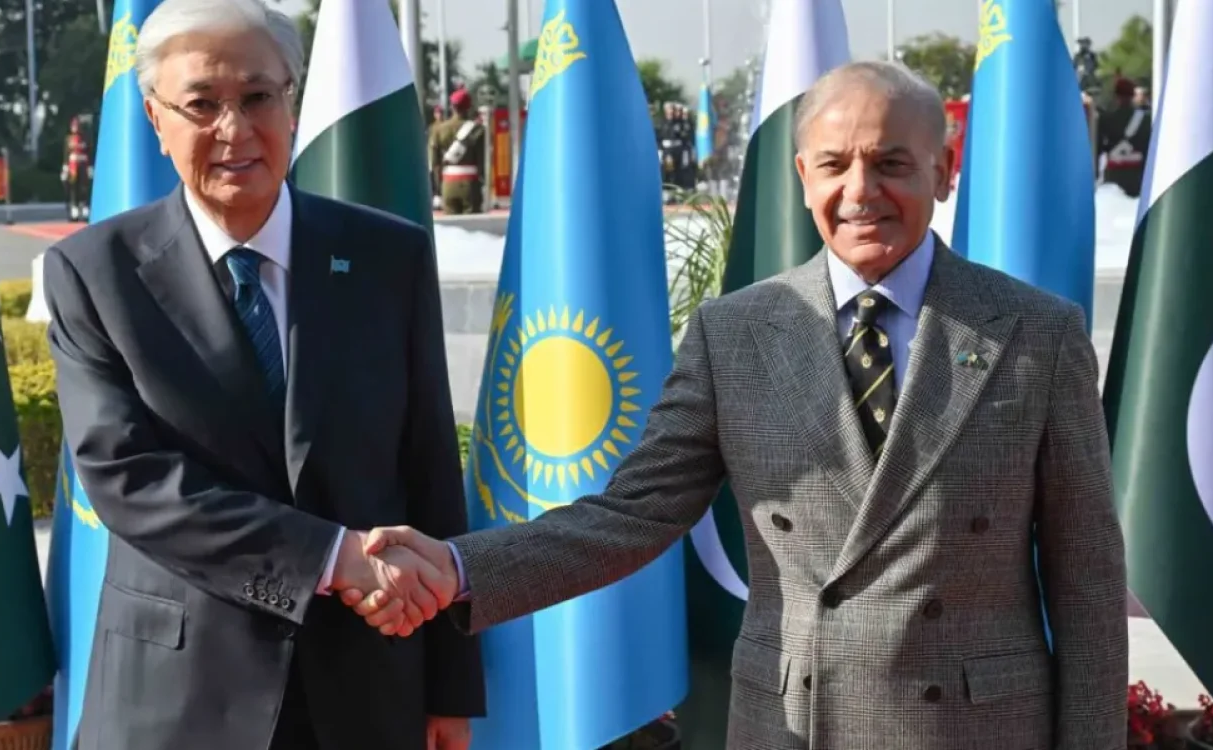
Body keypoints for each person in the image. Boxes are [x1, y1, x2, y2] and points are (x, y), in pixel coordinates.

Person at [352, 61, 1128, 749]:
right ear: (803, 176)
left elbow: (1088, 580)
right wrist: (460, 567)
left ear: (944, 170)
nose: (861, 192)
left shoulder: (1036, 334)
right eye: (835, 165)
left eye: (891, 163)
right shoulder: (736, 334)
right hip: (798, 725)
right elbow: (631, 516)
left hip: (977, 728)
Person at [40, 0, 484, 747]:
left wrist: (449, 687)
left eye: (256, 97)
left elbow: (429, 468)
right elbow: (128, 478)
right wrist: (332, 558)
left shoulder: (387, 257)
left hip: (367, 686)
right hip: (179, 699)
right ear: (155, 119)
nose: (234, 129)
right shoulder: (94, 273)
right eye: (201, 105)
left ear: (291, 100)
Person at [429, 88, 485, 214]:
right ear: (469, 107)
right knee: (473, 224)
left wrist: (438, 188)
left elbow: (434, 163)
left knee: (451, 224)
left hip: (448, 184)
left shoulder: (438, 130)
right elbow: (482, 161)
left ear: (452, 107)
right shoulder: (478, 130)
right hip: (471, 184)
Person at [1097, 77, 1151, 198]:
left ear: (1116, 96)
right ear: (1133, 95)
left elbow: (1099, 149)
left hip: (1113, 178)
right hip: (1138, 178)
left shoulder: (1106, 120)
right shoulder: (1146, 119)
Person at [62, 116, 92, 221]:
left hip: (83, 166)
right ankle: (74, 209)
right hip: (72, 168)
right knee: (73, 188)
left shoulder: (86, 139)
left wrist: (90, 167)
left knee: (84, 188)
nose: (75, 128)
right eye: (73, 126)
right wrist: (65, 167)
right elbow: (66, 154)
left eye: (77, 126)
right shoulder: (68, 139)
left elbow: (89, 153)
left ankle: (84, 208)